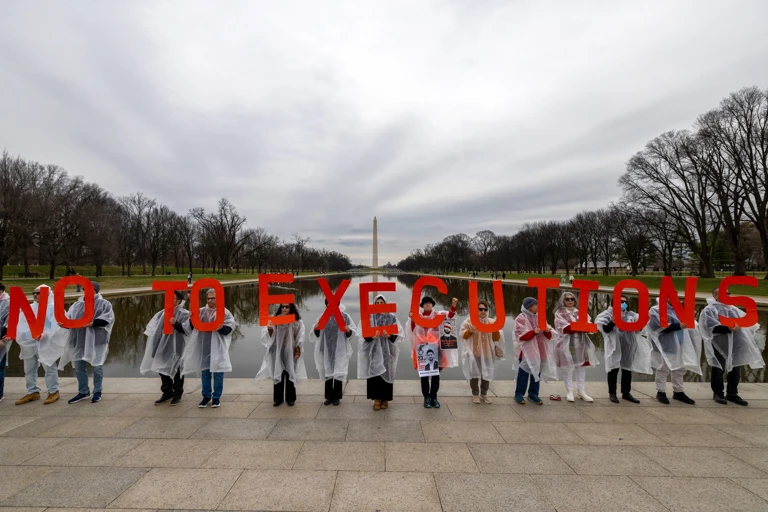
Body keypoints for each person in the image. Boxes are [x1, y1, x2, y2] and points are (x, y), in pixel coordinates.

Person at [698, 288, 764, 406]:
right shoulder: (710, 310)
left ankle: (732, 393)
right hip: (719, 344)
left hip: (736, 344)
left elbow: (745, 322)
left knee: (736, 369)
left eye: (728, 293)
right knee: (719, 369)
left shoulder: (733, 309)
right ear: (715, 296)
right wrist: (727, 328)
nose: (727, 295)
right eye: (723, 293)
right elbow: (709, 327)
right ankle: (718, 393)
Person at [58, 281, 114, 404]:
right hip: (78, 341)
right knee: (79, 368)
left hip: (97, 341)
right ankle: (83, 391)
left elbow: (108, 319)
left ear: (96, 290)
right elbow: (70, 320)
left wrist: (94, 323)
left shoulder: (104, 304)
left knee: (97, 367)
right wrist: (64, 324)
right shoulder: (76, 305)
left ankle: (97, 391)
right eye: (85, 288)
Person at [182, 288, 236, 408]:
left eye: (213, 298)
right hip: (204, 347)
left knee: (218, 373)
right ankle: (206, 396)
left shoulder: (224, 312)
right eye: (208, 298)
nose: (210, 300)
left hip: (218, 348)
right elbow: (192, 328)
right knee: (205, 372)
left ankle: (216, 397)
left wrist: (221, 328)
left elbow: (229, 329)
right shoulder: (201, 311)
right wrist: (191, 319)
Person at [595, 295, 653, 404]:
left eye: (625, 302)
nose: (623, 304)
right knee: (613, 369)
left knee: (627, 370)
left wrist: (644, 321)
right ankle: (612, 393)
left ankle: (626, 393)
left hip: (628, 346)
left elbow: (638, 330)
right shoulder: (607, 315)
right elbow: (605, 330)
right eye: (620, 301)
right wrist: (613, 322)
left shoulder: (631, 315)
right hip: (614, 347)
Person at [14, 285, 65, 405]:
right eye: (34, 293)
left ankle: (54, 391)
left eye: (38, 293)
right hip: (29, 344)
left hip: (46, 343)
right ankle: (32, 391)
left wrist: (44, 334)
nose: (35, 295)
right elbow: (21, 325)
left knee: (49, 367)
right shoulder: (29, 308)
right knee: (29, 369)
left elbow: (57, 326)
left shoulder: (53, 308)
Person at [646, 298, 702, 405]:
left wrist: (692, 320)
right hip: (665, 345)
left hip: (680, 344)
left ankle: (678, 391)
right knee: (663, 368)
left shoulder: (679, 310)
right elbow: (656, 326)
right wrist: (678, 326)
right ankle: (661, 392)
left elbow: (690, 325)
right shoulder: (655, 310)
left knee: (680, 368)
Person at [407, 296, 458, 409]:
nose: (427, 304)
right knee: (424, 376)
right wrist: (412, 319)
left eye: (429, 303)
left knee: (436, 375)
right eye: (425, 303)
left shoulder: (438, 315)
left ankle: (434, 397)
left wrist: (453, 306)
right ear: (422, 306)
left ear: (432, 305)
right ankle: (426, 397)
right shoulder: (417, 317)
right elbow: (412, 329)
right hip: (422, 349)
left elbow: (450, 316)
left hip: (437, 349)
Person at [142, 290, 190, 406]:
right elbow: (155, 332)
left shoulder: (185, 314)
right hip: (162, 347)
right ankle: (167, 392)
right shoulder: (161, 314)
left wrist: (176, 323)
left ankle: (177, 393)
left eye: (172, 298)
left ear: (178, 301)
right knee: (162, 369)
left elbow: (187, 330)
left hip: (178, 347)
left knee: (177, 370)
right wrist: (154, 348)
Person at [257, 303, 307, 407]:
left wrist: (298, 349)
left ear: (291, 308)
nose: (284, 308)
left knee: (290, 374)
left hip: (290, 350)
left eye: (287, 307)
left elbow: (300, 336)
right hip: (277, 351)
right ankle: (278, 399)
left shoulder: (297, 321)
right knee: (278, 374)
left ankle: (290, 398)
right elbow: (269, 335)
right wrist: (270, 329)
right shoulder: (275, 320)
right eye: (283, 307)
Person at [359, 294, 403, 410]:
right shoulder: (369, 317)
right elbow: (363, 334)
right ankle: (376, 399)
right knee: (375, 374)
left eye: (381, 303)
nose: (379, 305)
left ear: (385, 304)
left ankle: (385, 399)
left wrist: (389, 336)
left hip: (388, 351)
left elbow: (398, 333)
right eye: (377, 303)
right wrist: (372, 337)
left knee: (387, 373)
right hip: (374, 351)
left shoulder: (391, 317)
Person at [554, 291, 598, 402]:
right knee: (568, 368)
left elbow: (589, 325)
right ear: (563, 301)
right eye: (567, 299)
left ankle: (581, 391)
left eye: (572, 299)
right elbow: (564, 328)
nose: (570, 301)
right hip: (567, 344)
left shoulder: (581, 312)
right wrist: (580, 326)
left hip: (581, 343)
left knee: (581, 367)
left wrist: (587, 327)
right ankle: (569, 391)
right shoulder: (560, 313)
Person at [459, 299, 505, 404]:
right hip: (474, 353)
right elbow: (462, 336)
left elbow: (496, 338)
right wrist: (470, 331)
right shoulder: (468, 321)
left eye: (485, 309)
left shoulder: (492, 322)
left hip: (488, 353)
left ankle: (484, 393)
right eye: (480, 309)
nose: (483, 311)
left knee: (486, 373)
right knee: (474, 374)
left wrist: (495, 330)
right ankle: (475, 394)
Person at [312, 299, 357, 406]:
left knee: (338, 372)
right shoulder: (322, 317)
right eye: (328, 304)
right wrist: (316, 329)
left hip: (340, 349)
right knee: (328, 372)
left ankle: (336, 397)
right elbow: (317, 333)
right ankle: (328, 397)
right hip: (327, 348)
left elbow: (352, 331)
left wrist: (348, 330)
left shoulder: (344, 317)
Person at [513, 297, 557, 405]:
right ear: (529, 307)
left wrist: (547, 331)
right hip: (526, 353)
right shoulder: (520, 318)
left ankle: (533, 394)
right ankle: (519, 394)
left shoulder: (540, 317)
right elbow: (521, 336)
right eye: (535, 304)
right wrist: (534, 332)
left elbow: (548, 336)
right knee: (523, 374)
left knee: (537, 373)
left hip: (540, 351)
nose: (537, 306)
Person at [0, 283, 10, 402]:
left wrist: (2, 339)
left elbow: (8, 323)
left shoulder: (7, 303)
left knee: (0, 368)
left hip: (1, 339)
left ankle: (0, 393)